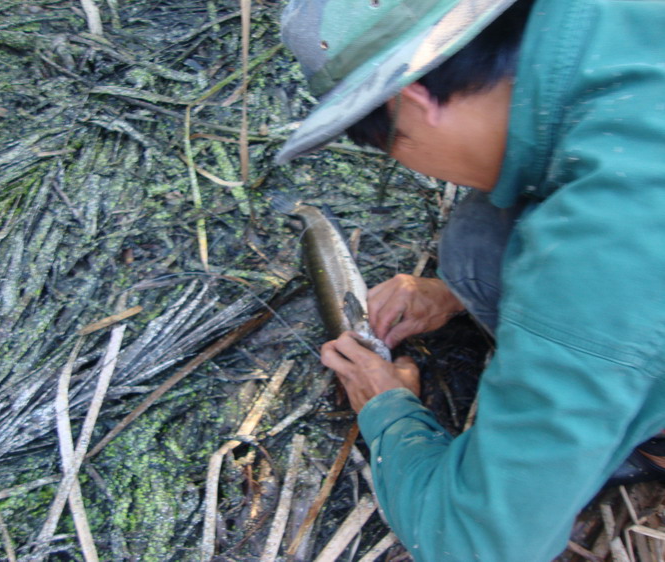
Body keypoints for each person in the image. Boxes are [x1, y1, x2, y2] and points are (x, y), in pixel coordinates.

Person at [275, 0, 665, 559]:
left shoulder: (600, 250)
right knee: (477, 244)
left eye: (390, 145)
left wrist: (388, 412)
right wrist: (451, 292)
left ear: (410, 98)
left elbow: (482, 544)